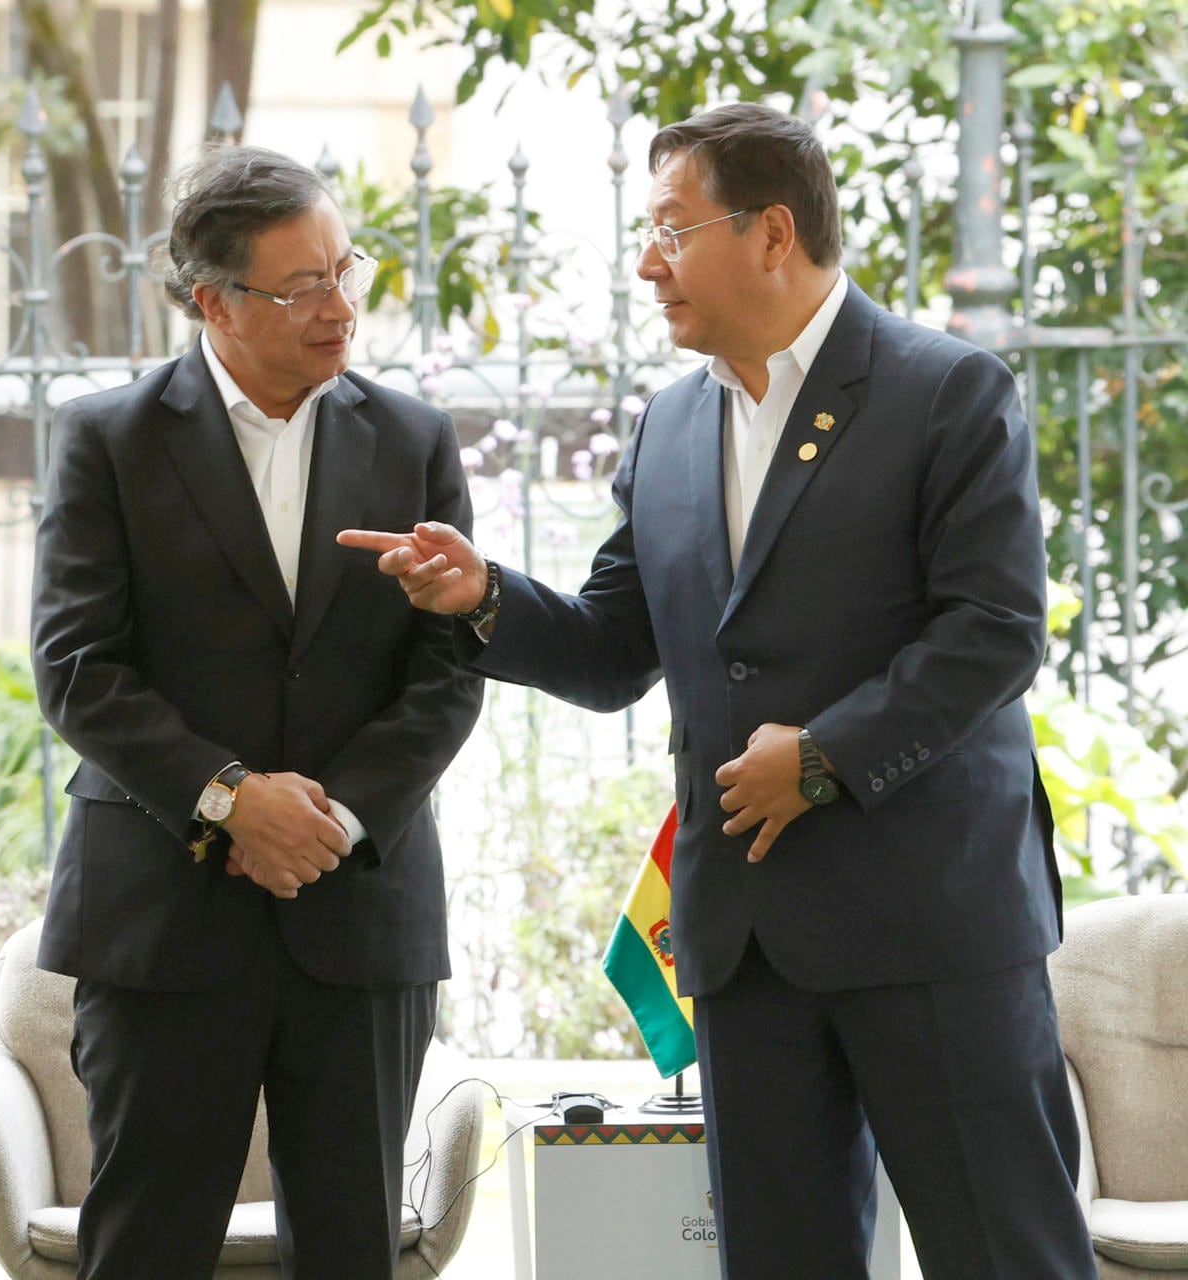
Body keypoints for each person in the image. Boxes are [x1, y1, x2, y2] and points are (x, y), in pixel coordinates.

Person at [340, 102, 1098, 1279]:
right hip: (748, 941)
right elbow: (612, 648)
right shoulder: (673, 423)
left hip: (935, 928)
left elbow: (995, 631)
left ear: (772, 232)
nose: (649, 264)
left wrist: (826, 757)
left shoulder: (948, 390)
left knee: (1008, 1257)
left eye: (671, 230)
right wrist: (484, 594)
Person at [30, 145, 484, 1279]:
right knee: (144, 1250)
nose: (340, 307)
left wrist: (333, 818)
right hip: (163, 920)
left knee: (352, 1251)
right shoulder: (107, 439)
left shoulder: (415, 439)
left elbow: (449, 668)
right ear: (212, 301)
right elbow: (77, 666)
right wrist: (232, 799)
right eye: (301, 286)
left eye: (344, 270)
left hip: (359, 911)